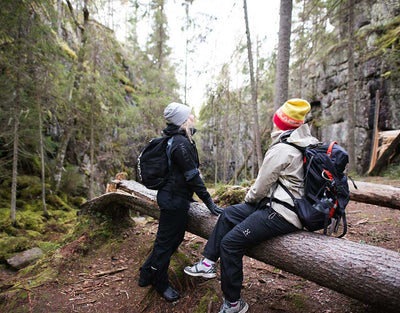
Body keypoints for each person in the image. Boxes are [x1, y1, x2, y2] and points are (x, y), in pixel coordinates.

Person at [184, 99, 320, 313]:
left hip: (283, 214)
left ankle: (233, 304)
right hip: (278, 205)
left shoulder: (282, 150)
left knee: (230, 244)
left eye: (276, 120)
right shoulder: (306, 141)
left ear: (281, 123)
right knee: (228, 214)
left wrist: (248, 200)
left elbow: (259, 188)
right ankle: (208, 262)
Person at [138, 102, 223, 302]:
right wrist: (209, 201)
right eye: (190, 115)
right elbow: (193, 177)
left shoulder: (178, 140)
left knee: (170, 240)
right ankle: (160, 283)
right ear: (183, 120)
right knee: (165, 244)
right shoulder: (180, 143)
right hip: (173, 202)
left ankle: (145, 273)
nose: (193, 116)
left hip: (175, 198)